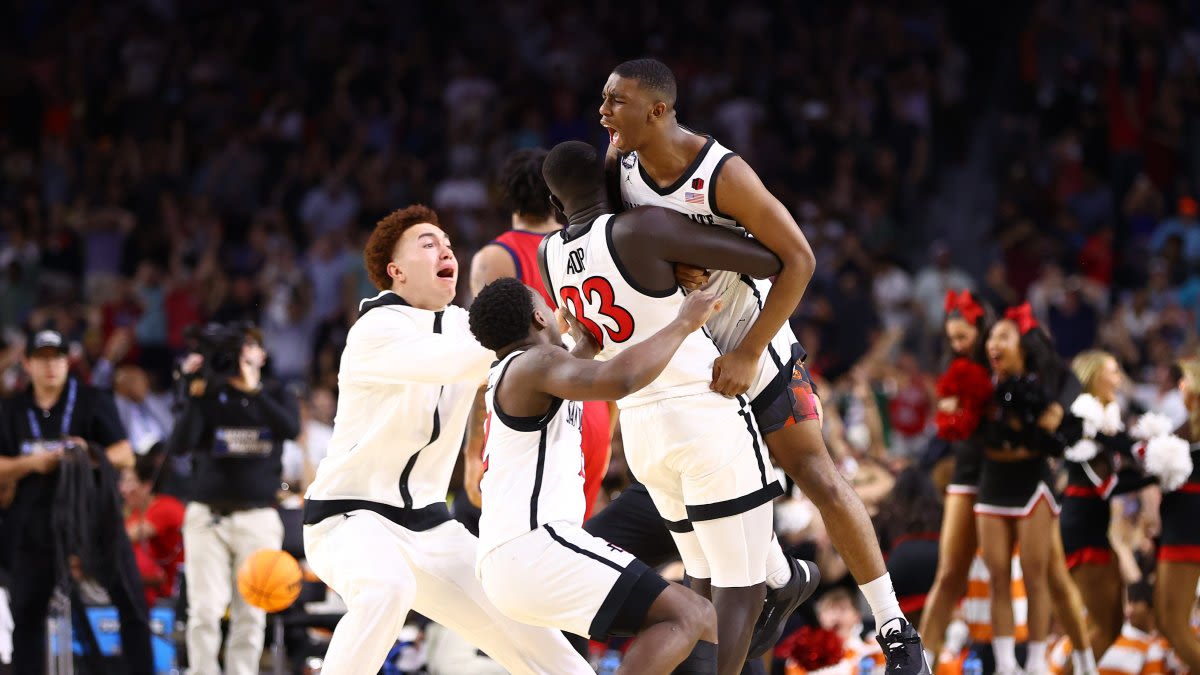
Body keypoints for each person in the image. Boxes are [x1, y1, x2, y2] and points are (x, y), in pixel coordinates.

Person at [598, 58, 928, 669]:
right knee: (711, 540)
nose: (604, 111)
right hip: (693, 363)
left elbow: (797, 258)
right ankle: (779, 578)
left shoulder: (720, 172)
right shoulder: (619, 168)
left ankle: (894, 628)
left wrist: (750, 351)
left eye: (616, 101)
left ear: (659, 110)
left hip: (756, 339)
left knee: (818, 474)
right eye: (604, 99)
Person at [538, 141, 818, 675]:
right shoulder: (642, 227)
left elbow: (589, 338)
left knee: (703, 572)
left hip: (642, 432)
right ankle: (787, 582)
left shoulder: (546, 255)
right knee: (740, 582)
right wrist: (697, 256)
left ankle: (789, 580)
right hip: (702, 410)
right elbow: (769, 259)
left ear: (555, 197)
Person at [302, 205, 591, 675]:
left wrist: (572, 332)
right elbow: (460, 361)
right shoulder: (374, 329)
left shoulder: (463, 324)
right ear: (395, 272)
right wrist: (542, 326)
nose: (446, 250)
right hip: (348, 517)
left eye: (448, 243)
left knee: (533, 635)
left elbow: (506, 368)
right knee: (385, 588)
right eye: (428, 243)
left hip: (430, 526)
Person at [469, 278, 721, 674]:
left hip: (517, 559)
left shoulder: (524, 371)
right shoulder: (533, 365)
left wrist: (586, 342)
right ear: (539, 316)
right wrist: (684, 323)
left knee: (692, 619)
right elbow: (618, 380)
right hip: (536, 547)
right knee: (691, 614)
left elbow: (574, 369)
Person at [467, 148, 613, 520]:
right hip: (593, 401)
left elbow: (490, 355)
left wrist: (472, 451)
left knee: (524, 539)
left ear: (509, 194)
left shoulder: (495, 257)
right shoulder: (584, 246)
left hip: (530, 406)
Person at [0, 329, 151, 674]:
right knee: (27, 614)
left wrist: (87, 454)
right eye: (42, 358)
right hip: (34, 521)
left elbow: (125, 454)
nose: (51, 366)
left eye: (57, 357)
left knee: (131, 603)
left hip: (93, 514)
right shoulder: (11, 409)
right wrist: (32, 464)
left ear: (67, 360)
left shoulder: (92, 399)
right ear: (28, 363)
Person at [167, 323, 299, 675]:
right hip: (208, 516)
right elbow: (180, 444)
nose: (241, 354)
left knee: (252, 612)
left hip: (257, 516)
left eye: (249, 346)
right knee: (204, 611)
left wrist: (252, 392)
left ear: (261, 355)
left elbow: (291, 428)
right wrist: (194, 394)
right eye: (236, 348)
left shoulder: (275, 392)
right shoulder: (208, 393)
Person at [976, 305, 1090, 675]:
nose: (994, 343)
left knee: (1034, 575)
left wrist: (1055, 410)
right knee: (997, 577)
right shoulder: (980, 382)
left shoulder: (1046, 383)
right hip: (993, 485)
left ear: (1023, 346)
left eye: (1003, 337)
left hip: (1032, 486)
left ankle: (1038, 663)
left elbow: (1072, 381)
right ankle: (1007, 665)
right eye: (991, 337)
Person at [1061, 350, 1155, 657]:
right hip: (1082, 530)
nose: (1119, 378)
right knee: (1102, 625)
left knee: (1111, 623)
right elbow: (1107, 485)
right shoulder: (1083, 420)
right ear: (1093, 377)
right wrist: (1158, 475)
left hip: (1095, 528)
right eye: (1113, 371)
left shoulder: (1106, 420)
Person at [1155, 358, 1200, 669]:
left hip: (1186, 527)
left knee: (1171, 621)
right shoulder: (1186, 428)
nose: (1180, 389)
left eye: (1184, 383)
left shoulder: (1188, 432)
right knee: (1171, 621)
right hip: (1180, 523)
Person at [120, 446, 185, 608]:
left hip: (175, 593)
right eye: (121, 481)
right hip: (151, 591)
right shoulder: (134, 513)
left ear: (146, 486)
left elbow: (121, 538)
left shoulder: (166, 508)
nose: (122, 489)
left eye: (129, 481)